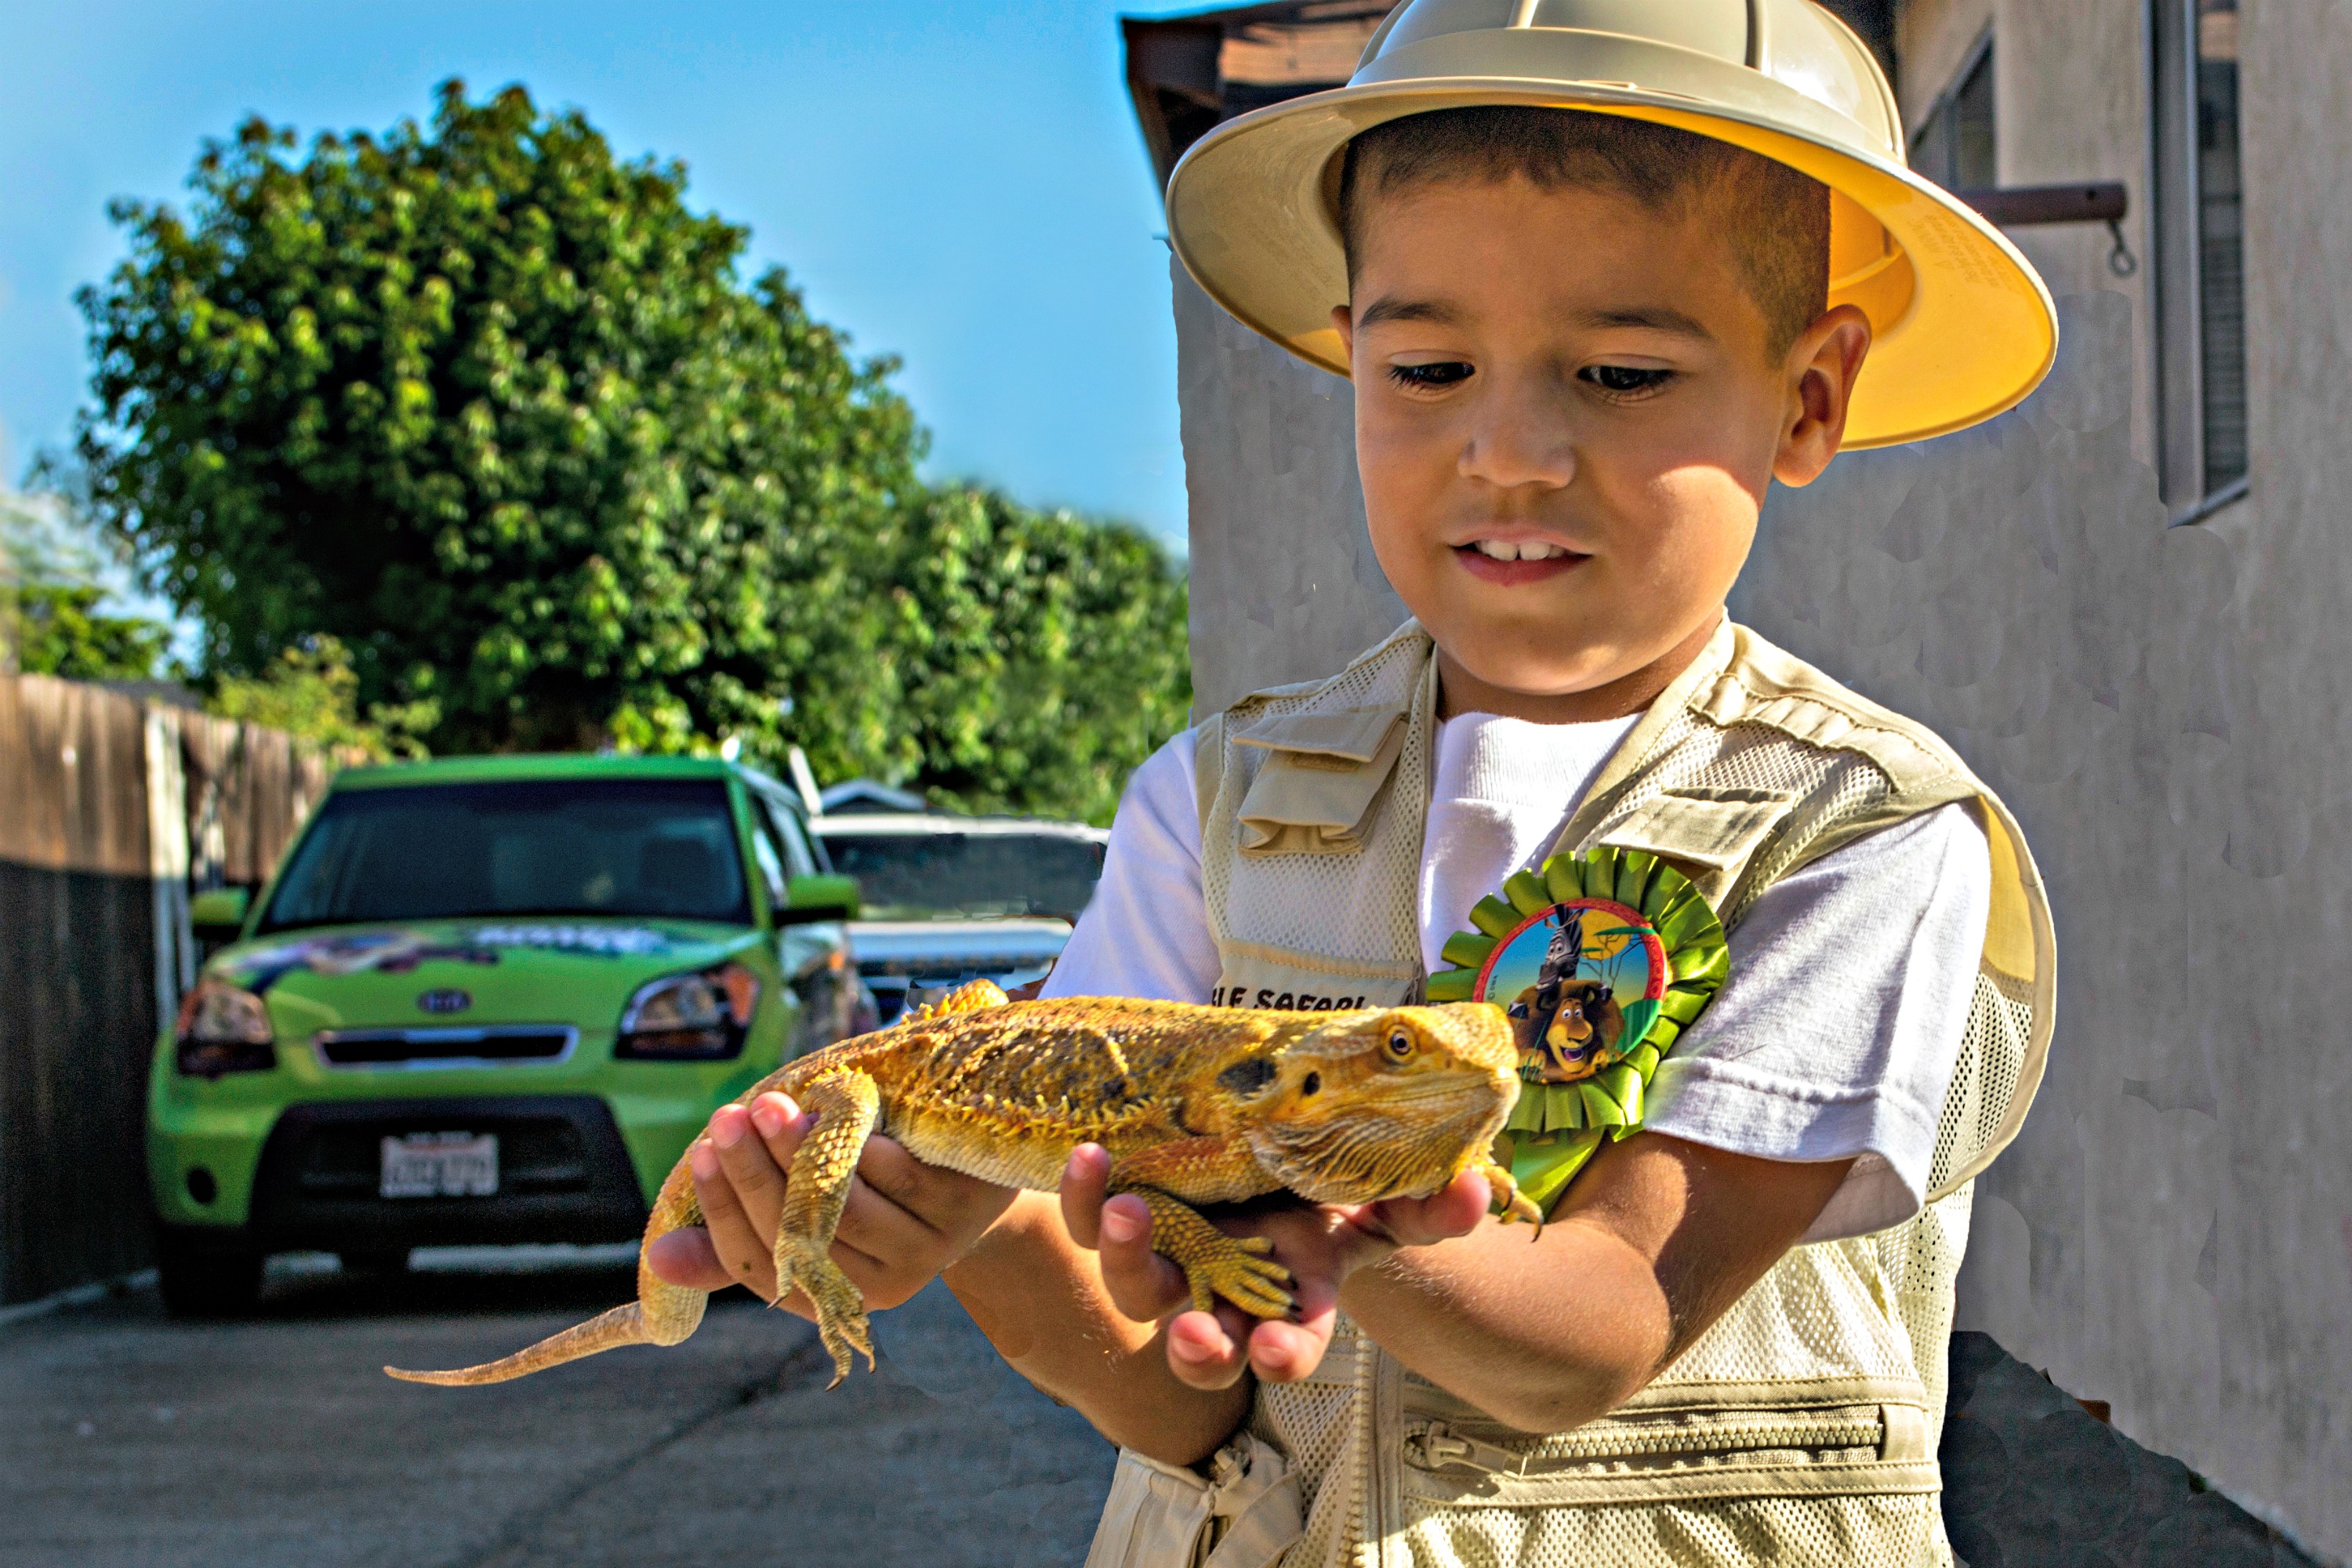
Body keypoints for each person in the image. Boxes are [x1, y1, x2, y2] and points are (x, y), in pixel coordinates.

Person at [648, 2, 2058, 1563]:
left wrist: (1315, 1206)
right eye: (1432, 366)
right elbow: (1185, 1405)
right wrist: (968, 1214)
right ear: (1351, 358)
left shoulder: (1864, 834)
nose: (1511, 448)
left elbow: (1600, 1323)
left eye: (1622, 373)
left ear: (1806, 397)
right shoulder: (1210, 805)